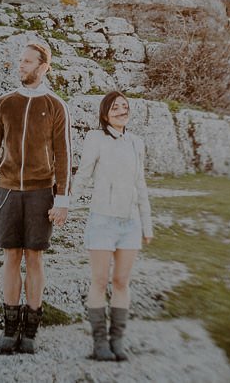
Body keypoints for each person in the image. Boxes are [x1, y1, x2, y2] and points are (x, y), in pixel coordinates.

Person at [0, 41, 72, 354]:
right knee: (11, 256)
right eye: (20, 61)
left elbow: (64, 155)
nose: (21, 66)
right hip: (7, 191)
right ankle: (9, 328)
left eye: (28, 62)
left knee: (34, 258)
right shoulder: (4, 103)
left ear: (43, 67)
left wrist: (62, 200)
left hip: (41, 192)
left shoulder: (57, 105)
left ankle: (30, 330)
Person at [71, 90, 153, 361]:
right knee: (100, 280)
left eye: (125, 107)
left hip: (130, 223)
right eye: (116, 107)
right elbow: (83, 174)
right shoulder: (95, 138)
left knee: (121, 281)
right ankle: (99, 343)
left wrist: (146, 224)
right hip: (102, 221)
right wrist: (65, 205)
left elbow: (140, 184)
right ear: (105, 113)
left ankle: (117, 341)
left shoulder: (136, 143)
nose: (122, 110)